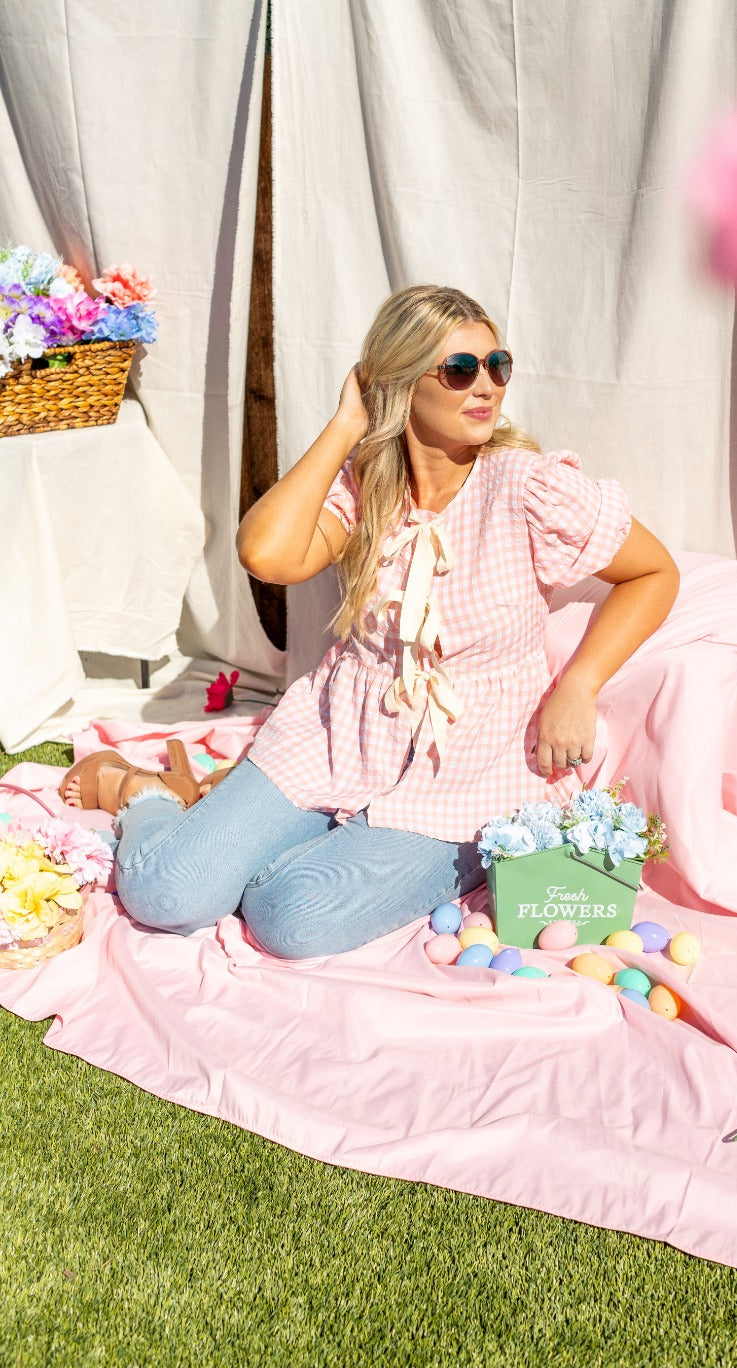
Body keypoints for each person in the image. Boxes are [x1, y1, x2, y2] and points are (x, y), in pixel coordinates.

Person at [59, 284, 679, 958]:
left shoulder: (529, 486)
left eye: (496, 365)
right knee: (167, 895)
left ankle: (264, 847)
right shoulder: (366, 486)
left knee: (289, 921)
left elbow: (654, 572)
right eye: (460, 370)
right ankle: (147, 793)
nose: (487, 388)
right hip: (336, 734)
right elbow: (262, 552)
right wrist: (347, 423)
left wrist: (579, 685)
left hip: (467, 771)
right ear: (401, 383)